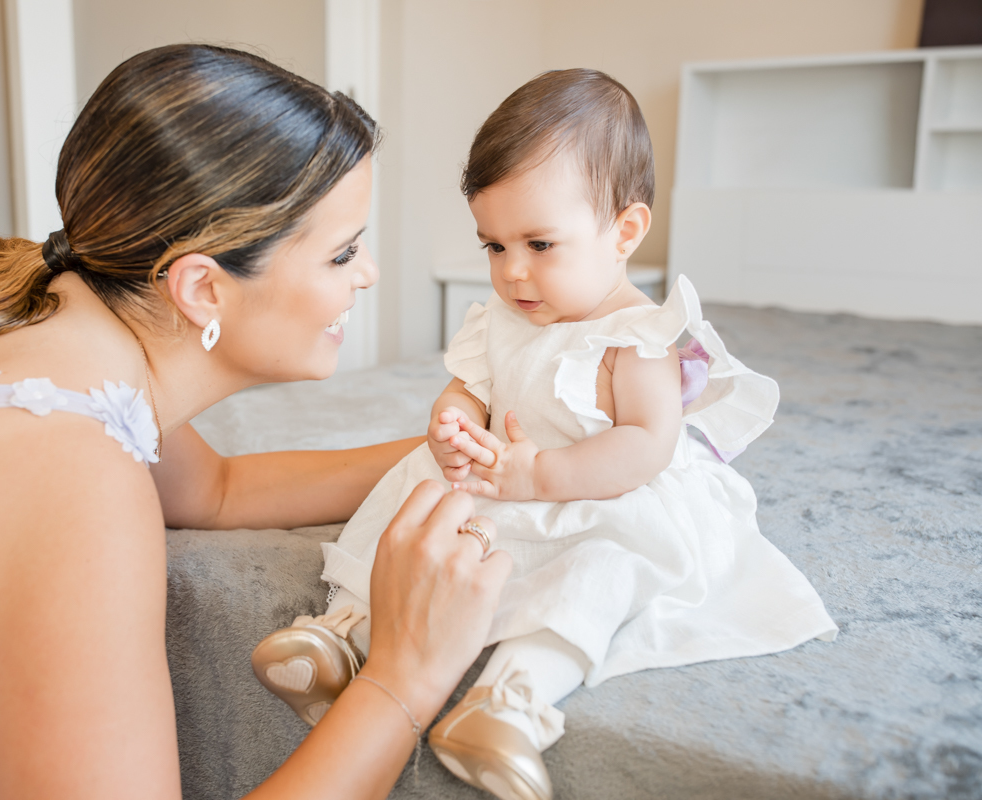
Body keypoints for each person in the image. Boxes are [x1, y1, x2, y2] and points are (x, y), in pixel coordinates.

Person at [0, 44, 513, 800]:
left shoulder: (24, 303)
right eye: (342, 253)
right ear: (202, 287)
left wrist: (454, 454)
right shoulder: (67, 476)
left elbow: (216, 491)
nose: (368, 273)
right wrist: (405, 673)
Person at [252, 68, 838, 800]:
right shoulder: (501, 319)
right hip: (501, 480)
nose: (513, 273)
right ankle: (346, 630)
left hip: (599, 494)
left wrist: (543, 477)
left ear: (623, 231)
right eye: (494, 247)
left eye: (539, 243)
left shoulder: (640, 337)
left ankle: (511, 701)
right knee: (415, 493)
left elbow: (647, 443)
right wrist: (454, 418)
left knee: (606, 573)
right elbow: (475, 385)